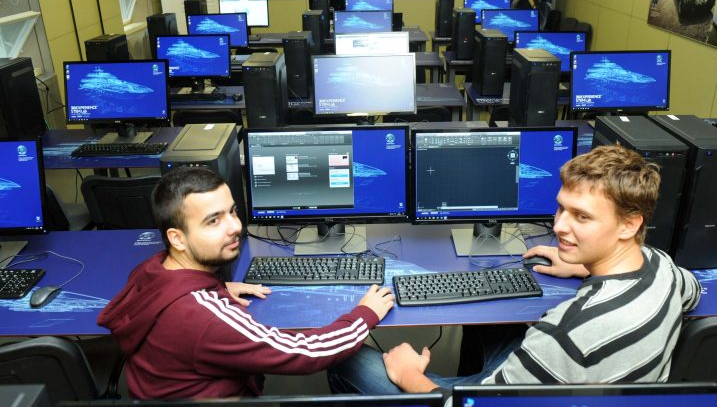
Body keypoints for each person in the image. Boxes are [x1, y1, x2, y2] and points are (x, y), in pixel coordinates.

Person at [328, 144, 701, 395]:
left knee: (346, 360)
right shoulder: (662, 267)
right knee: (500, 320)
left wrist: (410, 374)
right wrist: (584, 268)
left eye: (582, 217)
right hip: (582, 384)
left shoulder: (568, 333)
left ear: (629, 224)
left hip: (508, 396)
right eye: (561, 209)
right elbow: (694, 292)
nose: (558, 227)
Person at [97, 167, 394, 399]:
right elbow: (305, 352)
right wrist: (365, 314)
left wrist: (215, 288)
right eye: (213, 221)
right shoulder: (204, 319)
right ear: (177, 238)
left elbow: (179, 308)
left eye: (233, 211)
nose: (235, 227)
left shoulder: (150, 270)